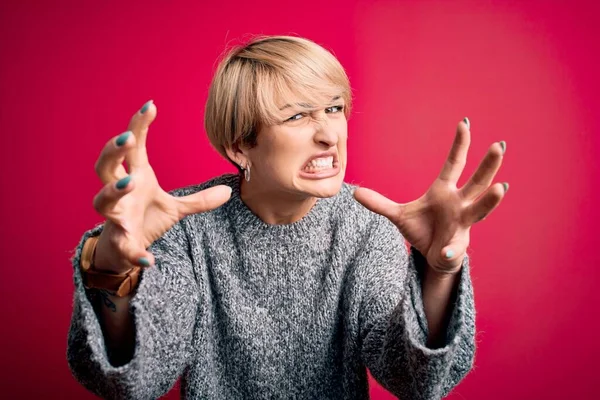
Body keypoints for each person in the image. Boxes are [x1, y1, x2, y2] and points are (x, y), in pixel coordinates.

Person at [67, 35, 508, 400]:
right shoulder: (181, 226)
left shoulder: (367, 225)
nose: (328, 134)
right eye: (297, 115)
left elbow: (419, 380)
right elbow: (133, 382)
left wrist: (438, 271)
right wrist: (111, 269)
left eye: (334, 108)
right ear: (240, 147)